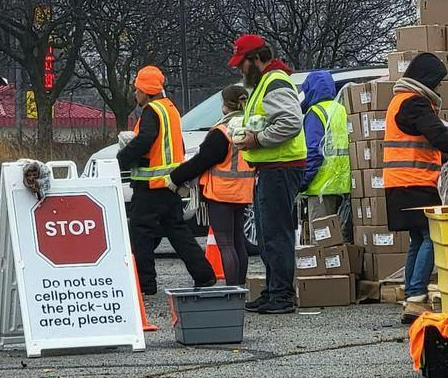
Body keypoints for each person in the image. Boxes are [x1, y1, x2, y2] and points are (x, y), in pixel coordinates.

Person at [383, 52, 448, 322]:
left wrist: (445, 154)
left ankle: (413, 296)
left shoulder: (399, 101)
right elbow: (439, 137)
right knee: (431, 237)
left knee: (418, 239)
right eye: (438, 83)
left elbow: (421, 141)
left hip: (399, 184)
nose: (439, 88)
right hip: (415, 182)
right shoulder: (415, 103)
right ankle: (417, 296)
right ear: (427, 80)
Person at [117, 64, 216, 328]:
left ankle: (145, 284)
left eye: (137, 89)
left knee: (141, 232)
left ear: (145, 91)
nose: (135, 94)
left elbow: (147, 140)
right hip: (170, 183)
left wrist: (123, 158)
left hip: (151, 186)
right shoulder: (170, 108)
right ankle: (204, 275)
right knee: (177, 231)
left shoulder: (150, 111)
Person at [228, 33, 307, 314]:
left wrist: (256, 139)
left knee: (275, 233)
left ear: (257, 58)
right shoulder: (266, 82)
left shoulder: (274, 82)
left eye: (242, 63)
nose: (240, 69)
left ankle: (282, 295)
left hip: (281, 167)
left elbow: (290, 123)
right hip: (273, 167)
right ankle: (274, 290)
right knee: (267, 233)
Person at [164, 83, 255, 290]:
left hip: (221, 192)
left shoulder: (221, 132)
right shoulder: (249, 127)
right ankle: (241, 287)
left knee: (226, 243)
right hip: (243, 191)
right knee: (238, 241)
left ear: (225, 105)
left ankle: (233, 291)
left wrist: (176, 178)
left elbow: (201, 161)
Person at [300, 70, 353, 237]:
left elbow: (314, 151)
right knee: (342, 239)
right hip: (345, 184)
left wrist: (303, 181)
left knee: (322, 241)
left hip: (321, 186)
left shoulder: (315, 112)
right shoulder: (342, 109)